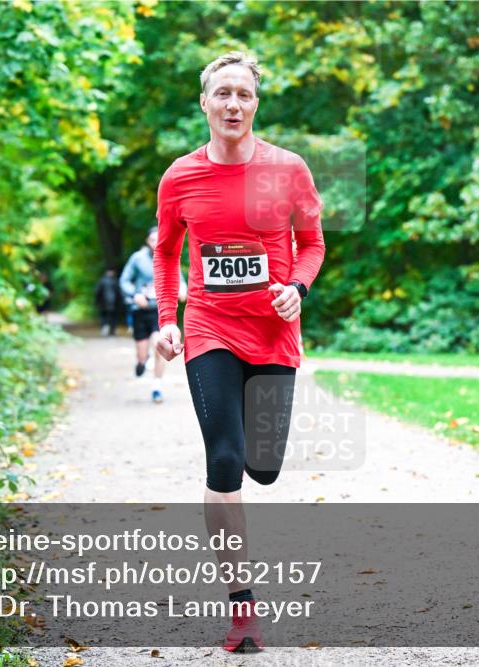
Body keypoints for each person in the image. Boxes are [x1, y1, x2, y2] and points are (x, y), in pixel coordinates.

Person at [152, 51, 325, 652]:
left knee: (264, 468)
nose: (233, 104)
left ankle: (254, 465)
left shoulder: (288, 168)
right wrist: (166, 319)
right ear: (204, 102)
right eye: (222, 93)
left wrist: (297, 288)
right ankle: (242, 608)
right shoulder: (179, 177)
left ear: (256, 104)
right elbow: (166, 252)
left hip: (274, 333)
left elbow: (313, 243)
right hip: (210, 328)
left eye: (243, 94)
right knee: (224, 461)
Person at [120, 227, 186, 402]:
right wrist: (135, 294)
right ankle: (142, 361)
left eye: (158, 239)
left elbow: (179, 277)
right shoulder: (137, 258)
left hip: (160, 311)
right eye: (152, 240)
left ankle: (157, 387)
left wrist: (182, 289)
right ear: (147, 241)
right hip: (140, 311)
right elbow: (124, 280)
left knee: (160, 346)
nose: (156, 243)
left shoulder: (169, 255)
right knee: (142, 355)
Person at [93, 268, 121, 336]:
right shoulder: (115, 281)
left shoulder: (101, 280)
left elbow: (97, 292)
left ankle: (105, 326)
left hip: (103, 303)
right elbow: (119, 293)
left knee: (104, 316)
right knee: (112, 317)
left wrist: (97, 301)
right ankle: (111, 331)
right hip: (113, 303)